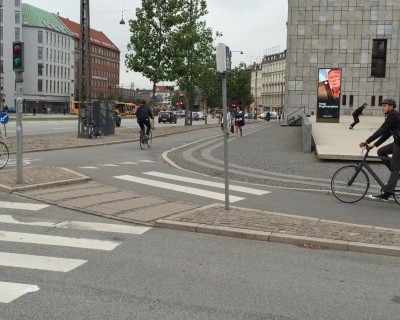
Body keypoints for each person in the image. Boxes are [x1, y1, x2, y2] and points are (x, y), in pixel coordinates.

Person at [359, 98, 400, 201]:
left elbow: (381, 130)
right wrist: (375, 144)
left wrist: (367, 141)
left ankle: (387, 193)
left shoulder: (393, 115)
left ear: (391, 107)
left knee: (395, 166)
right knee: (381, 151)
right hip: (397, 142)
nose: (383, 108)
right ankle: (395, 175)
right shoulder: (392, 115)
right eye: (382, 106)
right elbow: (387, 133)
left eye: (385, 106)